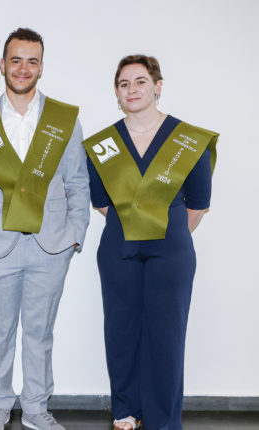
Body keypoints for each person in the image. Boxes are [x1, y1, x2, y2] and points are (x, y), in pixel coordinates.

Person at [0, 28, 89, 430]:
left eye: (31, 61)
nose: (23, 68)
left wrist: (75, 234)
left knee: (40, 332)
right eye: (16, 60)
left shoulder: (63, 119)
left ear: (41, 67)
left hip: (50, 244)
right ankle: (0, 403)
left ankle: (35, 407)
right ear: (3, 65)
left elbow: (78, 182)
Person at [83, 55, 217, 430]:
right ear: (116, 93)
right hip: (118, 247)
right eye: (124, 83)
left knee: (166, 336)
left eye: (141, 81)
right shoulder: (103, 144)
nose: (132, 89)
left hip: (171, 250)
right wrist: (135, 223)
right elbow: (101, 202)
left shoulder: (188, 140)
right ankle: (126, 409)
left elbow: (198, 204)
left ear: (158, 86)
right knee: (121, 330)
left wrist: (163, 230)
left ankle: (162, 418)